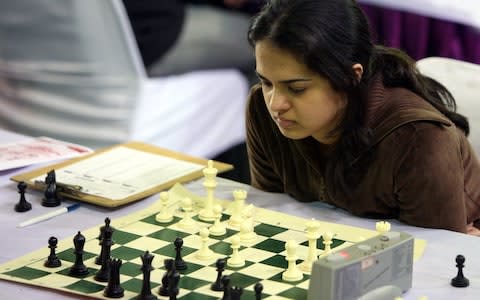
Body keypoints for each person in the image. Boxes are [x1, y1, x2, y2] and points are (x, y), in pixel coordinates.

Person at [245, 0, 480, 235]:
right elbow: (269, 214)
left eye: (296, 88)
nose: (275, 104)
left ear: (351, 76)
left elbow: (435, 257)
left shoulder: (418, 138)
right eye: (266, 82)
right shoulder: (261, 109)